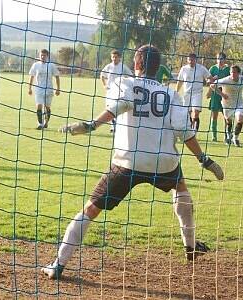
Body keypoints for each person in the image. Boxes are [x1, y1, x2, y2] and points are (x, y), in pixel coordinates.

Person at [41, 45, 224, 280]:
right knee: (180, 189)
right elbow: (183, 131)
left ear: (136, 65)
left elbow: (117, 108)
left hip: (127, 161)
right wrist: (204, 159)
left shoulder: (125, 83)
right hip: (163, 162)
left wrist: (91, 125)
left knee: (91, 209)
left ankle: (58, 264)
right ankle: (190, 247)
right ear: (158, 68)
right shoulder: (171, 94)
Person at [210, 65, 243, 147]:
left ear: (238, 73)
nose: (232, 74)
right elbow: (212, 85)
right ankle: (228, 136)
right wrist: (222, 94)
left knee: (239, 120)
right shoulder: (226, 80)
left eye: (234, 72)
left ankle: (235, 138)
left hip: (239, 104)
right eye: (231, 72)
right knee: (229, 122)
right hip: (227, 105)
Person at [176, 53, 212, 132]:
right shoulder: (184, 69)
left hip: (197, 93)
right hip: (186, 94)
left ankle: (194, 131)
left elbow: (210, 78)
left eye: (192, 60)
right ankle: (188, 130)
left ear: (196, 60)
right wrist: (176, 91)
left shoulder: (201, 68)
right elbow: (180, 81)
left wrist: (209, 84)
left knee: (195, 113)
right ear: (187, 60)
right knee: (187, 114)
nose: (191, 61)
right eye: (189, 60)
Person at [100, 49, 133, 132]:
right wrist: (104, 85)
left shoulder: (123, 67)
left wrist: (125, 83)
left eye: (116, 57)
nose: (114, 58)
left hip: (118, 92)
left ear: (119, 58)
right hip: (110, 91)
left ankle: (116, 126)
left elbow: (131, 76)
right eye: (113, 57)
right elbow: (102, 75)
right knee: (109, 108)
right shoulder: (109, 66)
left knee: (116, 108)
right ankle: (113, 126)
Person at [28, 49, 60, 130]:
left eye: (44, 55)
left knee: (47, 107)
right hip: (38, 89)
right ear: (39, 56)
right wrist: (30, 88)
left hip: (49, 89)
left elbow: (57, 76)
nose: (42, 57)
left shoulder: (51, 65)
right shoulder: (35, 65)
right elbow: (32, 76)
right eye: (41, 55)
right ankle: (40, 124)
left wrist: (58, 89)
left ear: (47, 56)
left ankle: (46, 122)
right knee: (39, 106)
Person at [206, 52, 230, 142]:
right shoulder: (212, 68)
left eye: (221, 58)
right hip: (215, 94)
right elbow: (208, 81)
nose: (219, 60)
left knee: (227, 116)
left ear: (225, 59)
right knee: (214, 115)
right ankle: (214, 136)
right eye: (218, 58)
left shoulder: (228, 69)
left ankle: (227, 136)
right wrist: (212, 79)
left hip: (225, 95)